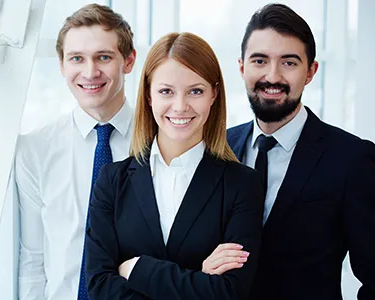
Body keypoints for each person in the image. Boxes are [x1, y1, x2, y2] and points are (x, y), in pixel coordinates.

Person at [84, 32, 265, 300]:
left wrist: (136, 269)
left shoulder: (242, 184)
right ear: (148, 95)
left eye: (195, 91)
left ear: (214, 95)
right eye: (166, 91)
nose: (180, 106)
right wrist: (199, 279)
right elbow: (99, 287)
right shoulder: (112, 180)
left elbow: (229, 293)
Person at [224, 3, 375, 300]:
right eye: (259, 61)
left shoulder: (352, 160)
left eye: (289, 63)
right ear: (242, 67)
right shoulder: (219, 147)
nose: (272, 76)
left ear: (310, 71)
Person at [14, 4, 136, 300]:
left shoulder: (159, 144)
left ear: (129, 60)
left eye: (103, 57)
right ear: (62, 65)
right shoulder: (35, 149)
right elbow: (32, 260)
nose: (90, 72)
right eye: (77, 59)